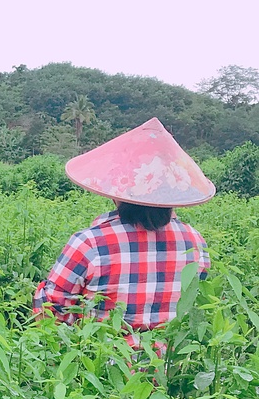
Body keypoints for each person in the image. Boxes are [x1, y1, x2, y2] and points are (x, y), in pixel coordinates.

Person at [33, 117, 213, 348]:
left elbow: (51, 312)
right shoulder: (195, 241)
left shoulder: (89, 243)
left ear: (117, 188)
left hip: (102, 373)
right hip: (173, 373)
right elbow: (196, 307)